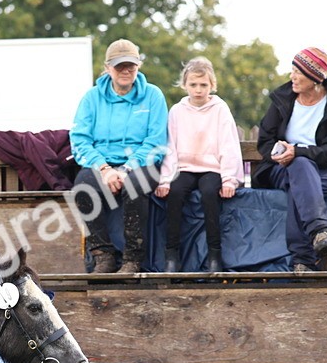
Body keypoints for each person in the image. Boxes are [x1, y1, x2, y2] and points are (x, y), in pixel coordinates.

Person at [253, 47, 327, 273]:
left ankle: (302, 261)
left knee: (301, 182)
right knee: (301, 169)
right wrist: (281, 152)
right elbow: (265, 141)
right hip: (282, 166)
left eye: (298, 72)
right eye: (292, 70)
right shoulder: (282, 98)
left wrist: (299, 152)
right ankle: (320, 231)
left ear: (315, 78)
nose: (292, 77)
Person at [69, 39, 168, 274]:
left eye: (131, 66)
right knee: (82, 186)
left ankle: (133, 258)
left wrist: (126, 169)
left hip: (142, 162)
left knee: (134, 186)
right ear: (107, 68)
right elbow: (80, 140)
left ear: (139, 66)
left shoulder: (153, 96)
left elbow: (156, 141)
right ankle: (103, 255)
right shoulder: (91, 98)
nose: (125, 70)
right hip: (102, 163)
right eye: (119, 66)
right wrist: (104, 169)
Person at [155, 57, 244, 273]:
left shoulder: (220, 109)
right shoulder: (177, 111)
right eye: (193, 85)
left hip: (211, 168)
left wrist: (229, 179)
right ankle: (172, 254)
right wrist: (165, 179)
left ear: (211, 85)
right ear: (185, 85)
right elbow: (170, 147)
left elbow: (228, 144)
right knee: (175, 193)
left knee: (208, 194)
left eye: (203, 85)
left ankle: (215, 253)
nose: (198, 90)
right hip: (184, 168)